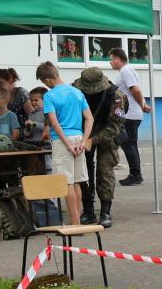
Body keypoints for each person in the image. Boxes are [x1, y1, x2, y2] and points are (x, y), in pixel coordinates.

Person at [36, 62, 93, 226]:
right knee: (77, 182)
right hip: (79, 138)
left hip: (62, 141)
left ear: (47, 79)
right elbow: (89, 118)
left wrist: (67, 145)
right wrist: (83, 141)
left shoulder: (49, 96)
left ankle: (75, 223)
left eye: (44, 81)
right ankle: (78, 221)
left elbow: (54, 123)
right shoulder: (77, 92)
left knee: (66, 182)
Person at [73, 68, 125, 228]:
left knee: (105, 170)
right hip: (83, 132)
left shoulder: (115, 95)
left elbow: (115, 127)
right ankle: (88, 210)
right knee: (83, 172)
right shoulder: (75, 90)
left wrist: (92, 140)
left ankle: (105, 211)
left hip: (107, 133)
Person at [109, 48, 150, 186]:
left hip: (129, 114)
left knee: (128, 144)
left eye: (111, 59)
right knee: (131, 144)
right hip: (130, 113)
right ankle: (136, 174)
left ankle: (135, 175)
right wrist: (142, 104)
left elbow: (135, 90)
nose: (110, 62)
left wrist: (142, 105)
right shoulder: (125, 71)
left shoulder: (126, 71)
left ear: (117, 59)